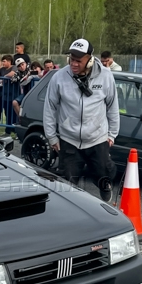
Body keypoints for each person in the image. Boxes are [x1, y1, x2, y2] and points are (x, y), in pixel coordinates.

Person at [44, 38, 119, 203]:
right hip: (69, 139)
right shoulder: (59, 77)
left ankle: (105, 188)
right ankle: (69, 210)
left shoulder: (106, 76)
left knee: (104, 173)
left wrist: (112, 134)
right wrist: (51, 136)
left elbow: (112, 106)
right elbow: (50, 107)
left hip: (97, 138)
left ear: (90, 60)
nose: (74, 64)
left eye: (79, 61)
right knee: (67, 183)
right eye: (71, 59)